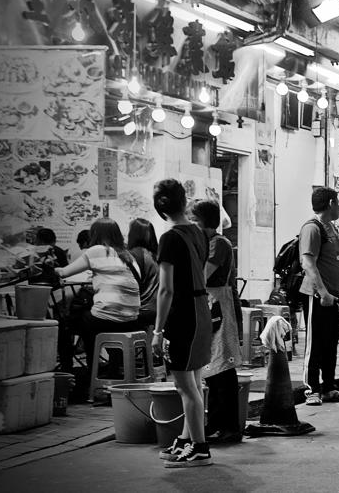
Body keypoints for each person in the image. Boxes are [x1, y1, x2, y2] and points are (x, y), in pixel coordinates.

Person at [151, 179, 213, 467]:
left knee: (186, 386)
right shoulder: (199, 233)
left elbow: (166, 289)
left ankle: (200, 447)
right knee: (194, 382)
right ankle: (188, 440)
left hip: (183, 314)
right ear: (184, 201)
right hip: (201, 309)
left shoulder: (169, 238)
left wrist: (158, 330)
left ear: (161, 205)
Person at [56, 218, 143, 401]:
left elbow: (64, 272)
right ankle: (107, 371)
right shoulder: (127, 255)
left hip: (108, 317)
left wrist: (51, 267)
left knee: (65, 324)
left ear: (95, 234)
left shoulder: (96, 251)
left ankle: (73, 373)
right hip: (132, 318)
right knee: (88, 320)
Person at [190, 199, 243, 445]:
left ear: (205, 221)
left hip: (218, 304)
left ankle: (230, 426)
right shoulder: (204, 242)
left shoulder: (219, 243)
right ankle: (217, 423)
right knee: (211, 368)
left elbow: (202, 276)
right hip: (208, 305)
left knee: (223, 368)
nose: (191, 224)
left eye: (194, 220)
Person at [300, 186, 339, 406]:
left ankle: (329, 388)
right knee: (315, 344)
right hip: (317, 296)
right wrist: (322, 292)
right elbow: (308, 264)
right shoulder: (312, 229)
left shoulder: (330, 227)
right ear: (331, 203)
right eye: (338, 202)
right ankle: (312, 390)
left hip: (335, 296)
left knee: (331, 343)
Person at [126, 219, 160, 329]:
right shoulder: (157, 254)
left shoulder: (135, 254)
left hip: (142, 310)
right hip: (159, 308)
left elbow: (130, 285)